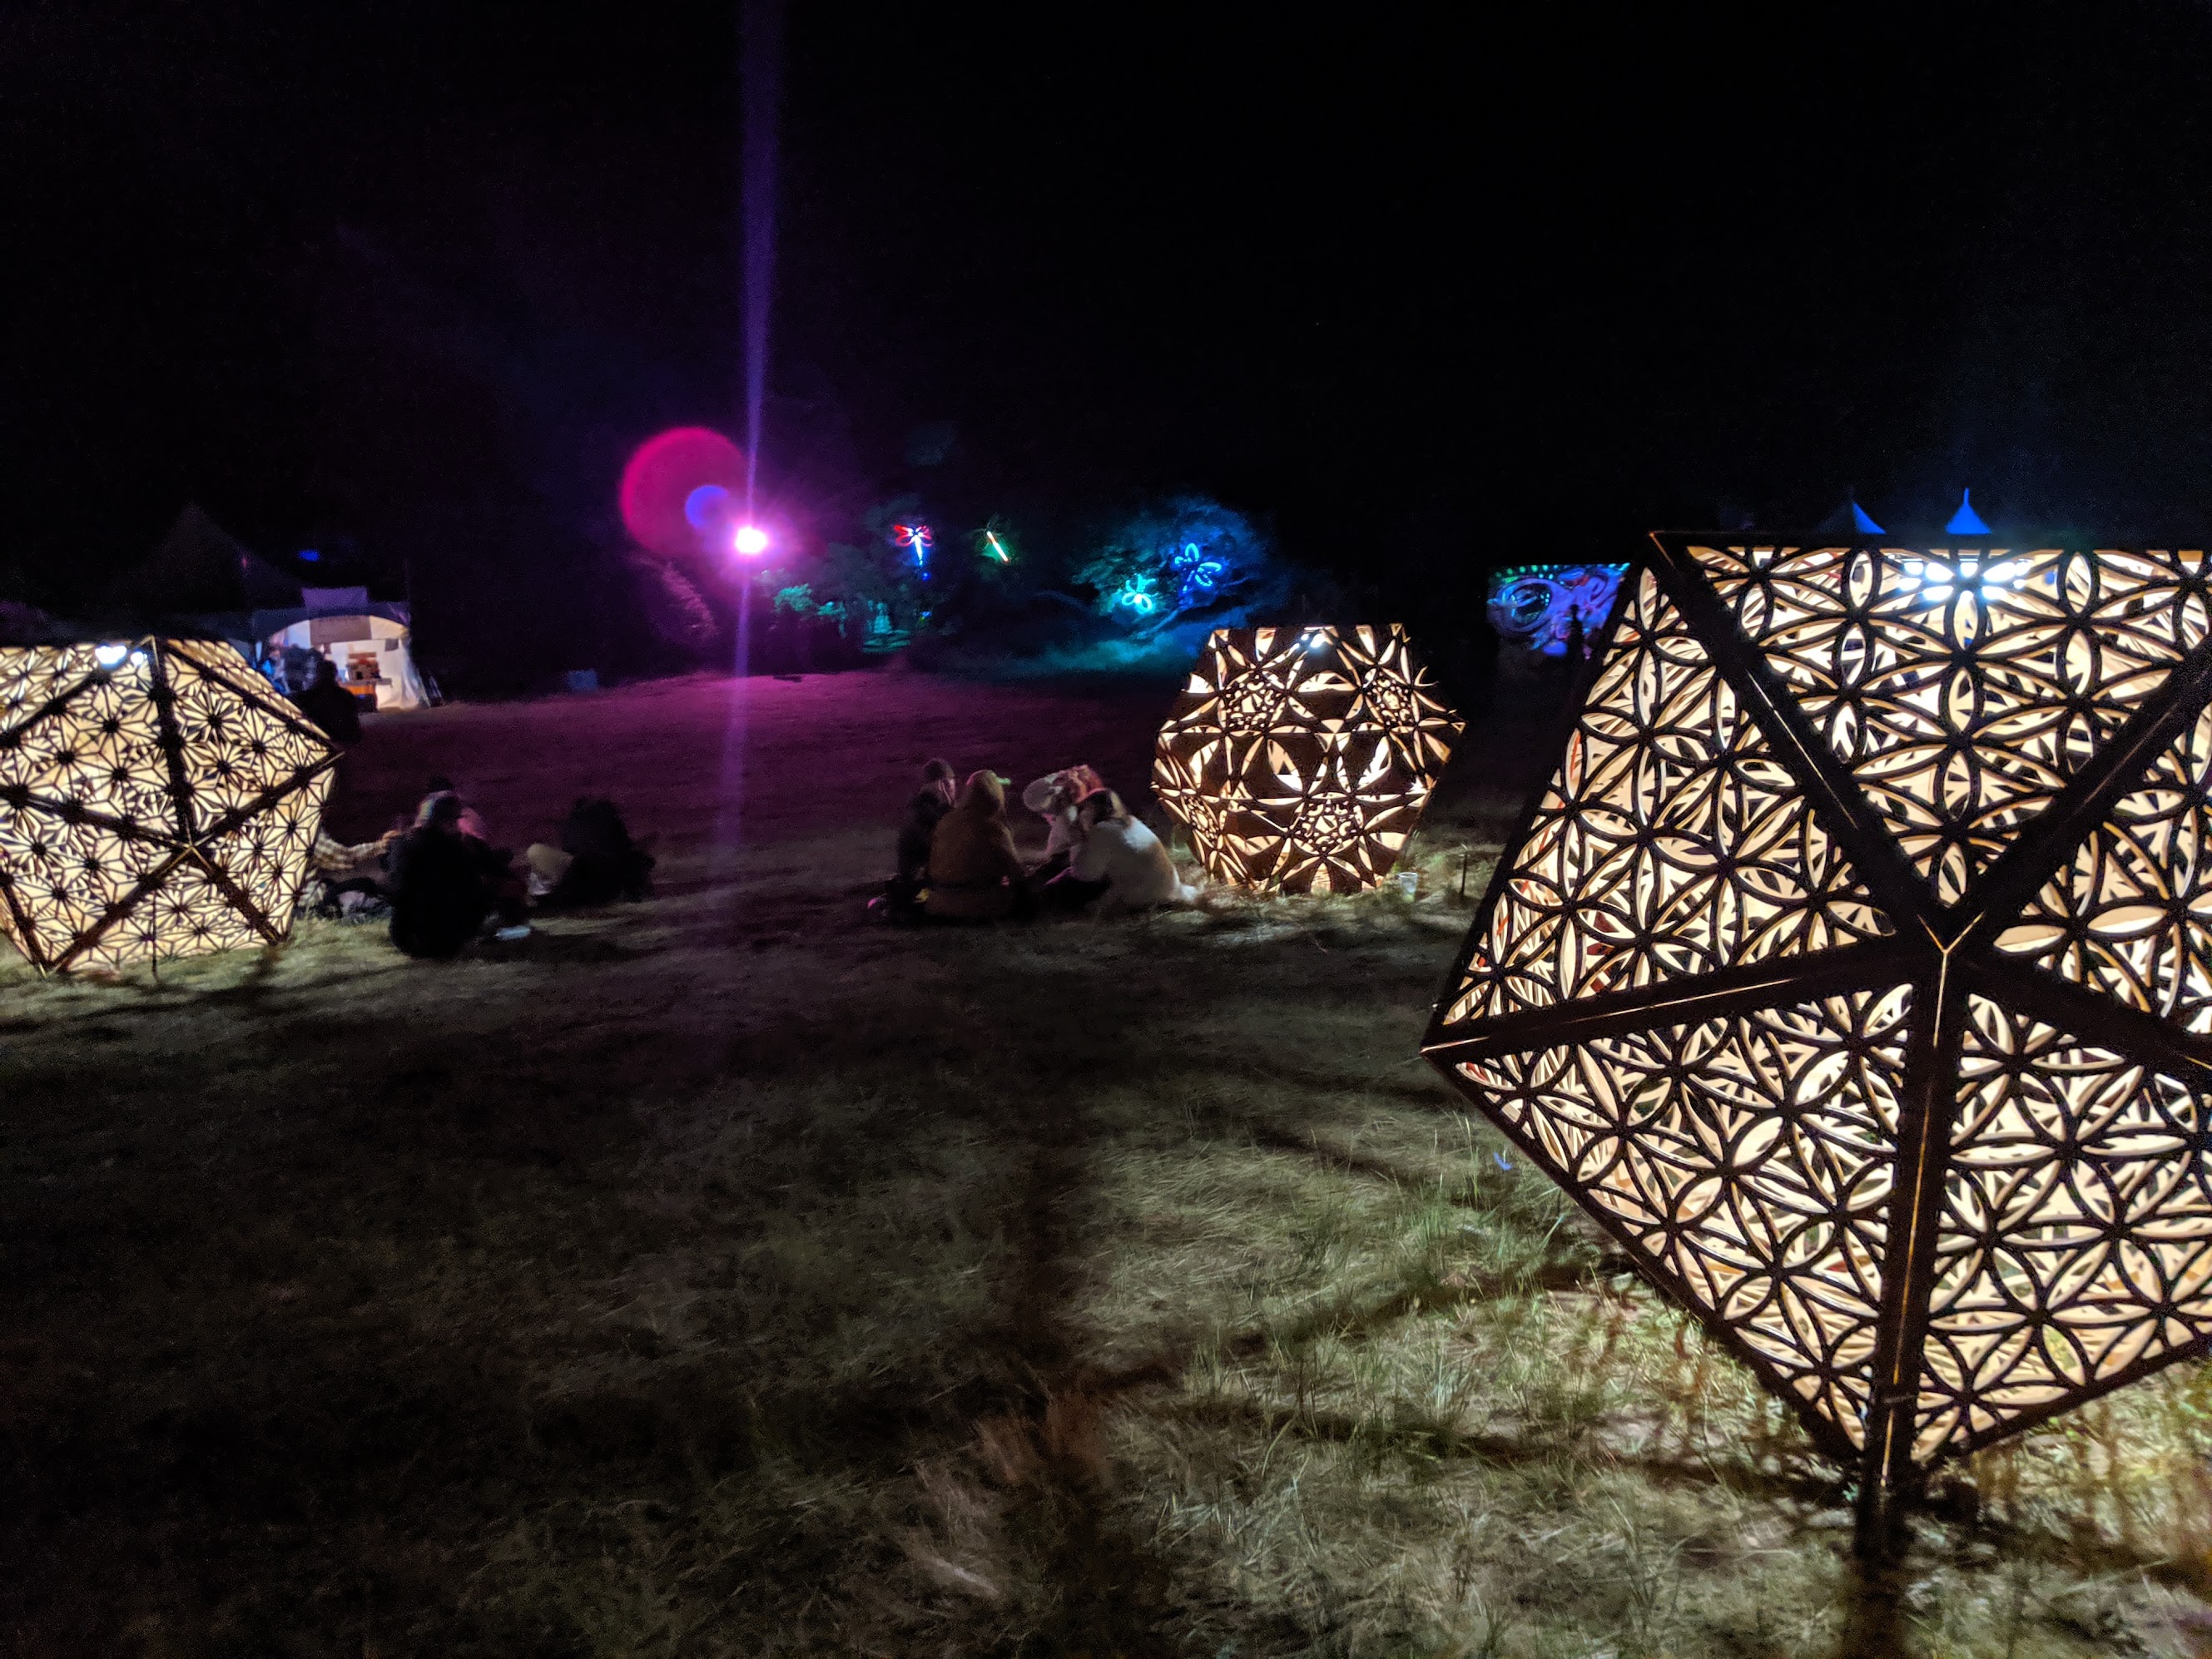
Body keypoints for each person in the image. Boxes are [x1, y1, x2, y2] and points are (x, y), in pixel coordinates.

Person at [1064, 790, 1201, 913]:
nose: (1081, 815)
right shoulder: (1131, 822)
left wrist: (1076, 840)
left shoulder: (1102, 831)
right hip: (1168, 890)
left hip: (1146, 899)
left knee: (1062, 885)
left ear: (1092, 810)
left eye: (1084, 810)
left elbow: (1083, 874)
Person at [924, 770, 1026, 922]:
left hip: (938, 902)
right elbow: (1015, 871)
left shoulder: (946, 821)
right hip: (977, 904)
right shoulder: (992, 827)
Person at [1019, 765, 1106, 875]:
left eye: (1078, 777)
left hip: (1078, 868)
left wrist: (1079, 794)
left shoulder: (1098, 808)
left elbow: (1081, 836)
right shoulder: (1061, 803)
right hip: (1057, 865)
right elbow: (1031, 799)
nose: (1071, 778)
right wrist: (1055, 777)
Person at [293, 653, 363, 745]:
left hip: (325, 739)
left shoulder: (310, 696)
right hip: (347, 736)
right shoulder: (345, 694)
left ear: (317, 674)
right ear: (335, 674)